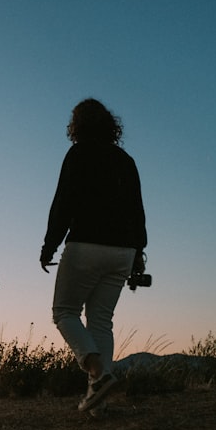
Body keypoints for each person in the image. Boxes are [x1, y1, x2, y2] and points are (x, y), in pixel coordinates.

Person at [40, 98, 147, 413]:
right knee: (101, 320)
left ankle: (98, 371)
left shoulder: (78, 154)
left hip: (86, 245)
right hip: (123, 252)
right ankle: (97, 399)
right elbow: (137, 211)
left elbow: (64, 203)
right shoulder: (125, 160)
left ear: (78, 125)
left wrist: (49, 245)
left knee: (64, 312)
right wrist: (138, 252)